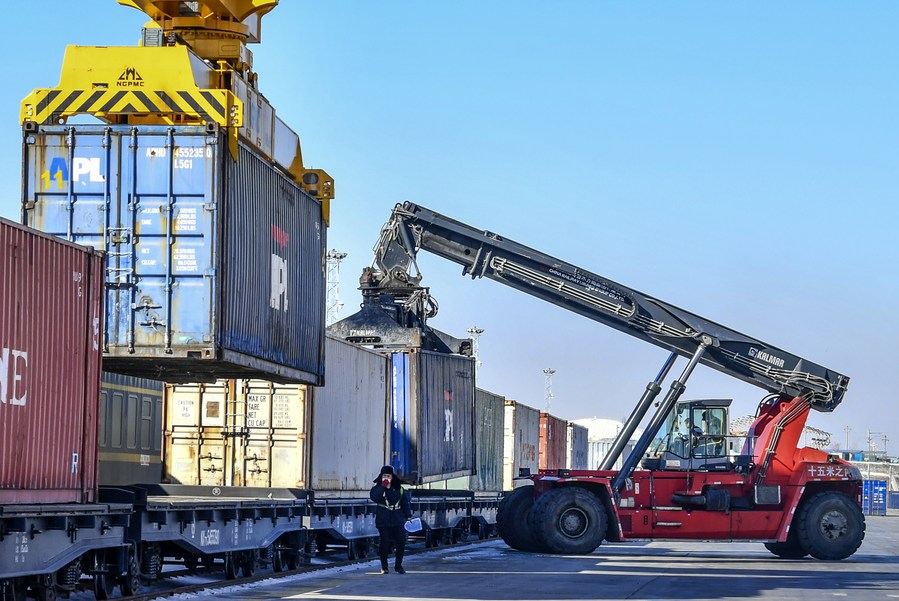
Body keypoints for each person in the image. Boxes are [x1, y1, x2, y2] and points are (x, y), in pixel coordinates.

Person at [369, 465, 413, 574]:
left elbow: (405, 503)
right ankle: (384, 567)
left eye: (388, 476)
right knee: (384, 543)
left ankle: (398, 566)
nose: (386, 478)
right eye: (384, 476)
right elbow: (375, 498)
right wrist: (382, 487)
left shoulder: (399, 489)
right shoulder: (377, 488)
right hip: (383, 520)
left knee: (401, 541)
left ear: (392, 477)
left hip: (397, 519)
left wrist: (408, 515)